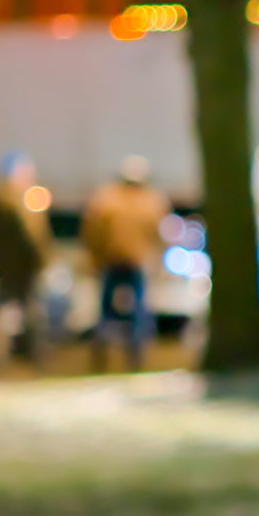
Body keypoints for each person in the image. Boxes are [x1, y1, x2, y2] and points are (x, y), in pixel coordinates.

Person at [81, 155, 171, 366]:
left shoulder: (106, 199)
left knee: (106, 309)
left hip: (111, 260)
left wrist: (96, 257)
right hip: (135, 262)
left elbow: (92, 230)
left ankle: (102, 349)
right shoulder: (150, 201)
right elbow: (159, 233)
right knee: (138, 308)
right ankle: (135, 353)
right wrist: (156, 258)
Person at [0, 152, 51, 367]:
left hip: (18, 268)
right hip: (12, 268)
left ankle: (25, 355)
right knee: (6, 312)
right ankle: (2, 358)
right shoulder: (6, 205)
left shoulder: (25, 201)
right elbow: (25, 241)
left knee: (20, 311)